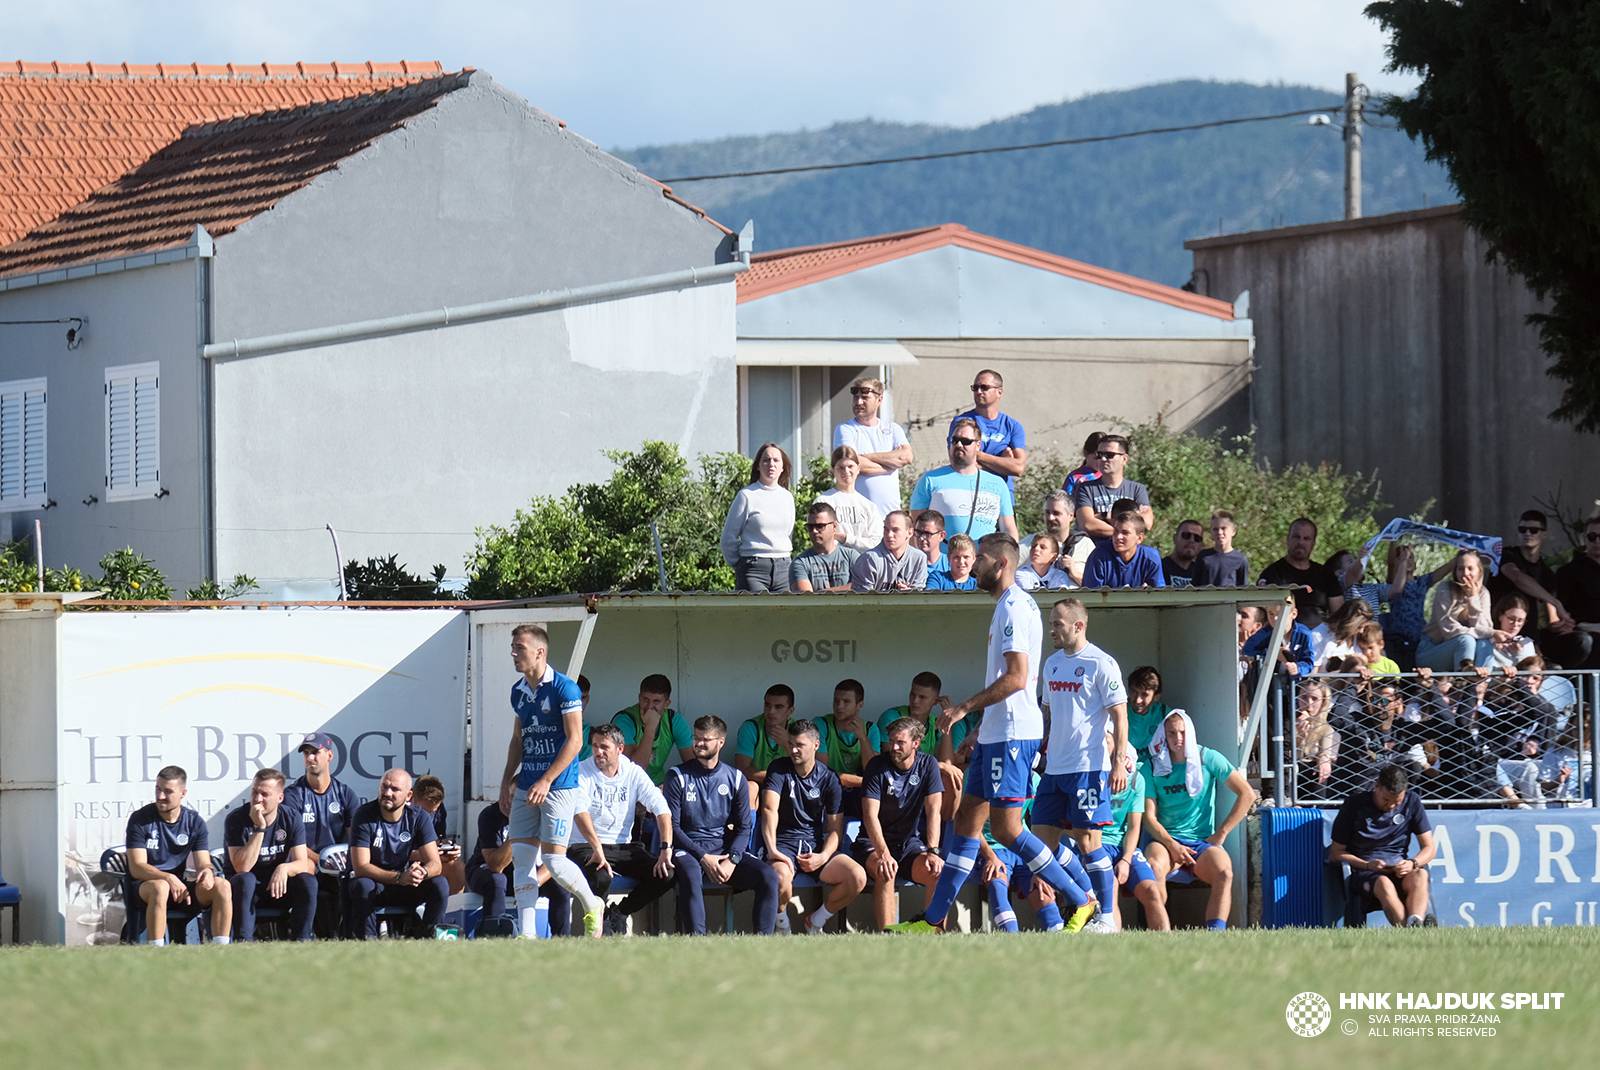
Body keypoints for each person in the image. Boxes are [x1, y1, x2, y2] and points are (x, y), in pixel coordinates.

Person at [889, 532, 1098, 934]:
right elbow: (1005, 680)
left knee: (1006, 829)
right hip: (996, 733)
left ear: (1000, 564)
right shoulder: (1004, 606)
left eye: (980, 558)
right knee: (967, 821)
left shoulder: (1016, 607)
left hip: (1014, 737)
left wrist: (965, 708)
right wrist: (980, 730)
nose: (973, 564)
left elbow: (1018, 679)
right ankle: (933, 921)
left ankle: (1082, 897)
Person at [498, 623, 606, 939]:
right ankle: (528, 936)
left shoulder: (565, 688)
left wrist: (546, 779)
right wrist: (507, 781)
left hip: (558, 786)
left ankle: (592, 903)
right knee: (521, 863)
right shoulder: (518, 691)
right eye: (513, 647)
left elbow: (574, 741)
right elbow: (518, 739)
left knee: (554, 861)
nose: (514, 653)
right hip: (527, 785)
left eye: (520, 647)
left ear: (540, 651)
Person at [1032, 599, 1129, 932]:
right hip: (1054, 768)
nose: (1052, 630)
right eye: (1051, 623)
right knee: (1041, 842)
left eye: (1058, 623)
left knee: (1089, 842)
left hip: (1088, 767)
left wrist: (1117, 763)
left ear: (1078, 625)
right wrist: (1037, 750)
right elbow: (1046, 713)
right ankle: (1084, 899)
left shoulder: (1101, 663)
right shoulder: (1052, 664)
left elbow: (1119, 714)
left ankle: (1106, 917)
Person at [664, 716, 779, 935]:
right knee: (690, 872)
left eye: (705, 739)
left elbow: (745, 827)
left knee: (768, 875)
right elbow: (673, 829)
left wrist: (733, 858)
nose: (698, 743)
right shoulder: (677, 776)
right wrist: (703, 857)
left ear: (721, 742)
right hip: (688, 848)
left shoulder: (735, 778)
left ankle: (765, 941)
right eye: (696, 738)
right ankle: (698, 941)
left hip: (723, 850)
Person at [1141, 710, 1256, 929]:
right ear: (1163, 735)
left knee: (1224, 871)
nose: (1178, 739)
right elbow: (1149, 817)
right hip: (1166, 841)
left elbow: (1247, 794)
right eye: (1172, 733)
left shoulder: (1208, 757)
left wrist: (1221, 833)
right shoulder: (1152, 765)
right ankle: (1160, 934)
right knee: (1154, 867)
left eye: (1182, 732)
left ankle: (1215, 934)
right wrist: (1172, 845)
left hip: (1201, 842)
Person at [563, 725, 676, 936]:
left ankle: (620, 912)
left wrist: (665, 849)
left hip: (622, 846)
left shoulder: (632, 772)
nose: (598, 752)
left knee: (666, 873)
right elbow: (580, 813)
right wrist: (597, 849)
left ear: (620, 749)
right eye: (595, 746)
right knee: (602, 877)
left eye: (604, 747)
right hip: (584, 845)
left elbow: (661, 808)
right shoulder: (581, 771)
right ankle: (600, 928)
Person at [759, 719, 866, 934]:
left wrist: (824, 856)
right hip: (784, 845)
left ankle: (816, 921)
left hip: (815, 846)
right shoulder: (779, 769)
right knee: (778, 878)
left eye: (800, 745)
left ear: (816, 745)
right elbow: (769, 810)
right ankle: (782, 925)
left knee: (857, 877)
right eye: (790, 744)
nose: (793, 749)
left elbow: (836, 828)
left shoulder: (829, 778)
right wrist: (773, 851)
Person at [124, 765, 232, 945]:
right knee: (160, 887)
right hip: (145, 888)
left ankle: (222, 949)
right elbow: (136, 867)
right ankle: (155, 950)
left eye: (167, 791)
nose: (160, 796)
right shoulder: (140, 819)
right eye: (158, 789)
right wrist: (167, 878)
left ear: (183, 793)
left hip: (180, 889)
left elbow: (203, 863)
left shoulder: (194, 821)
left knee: (222, 885)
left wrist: (206, 871)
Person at [857, 717, 945, 929]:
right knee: (885, 869)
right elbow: (870, 816)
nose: (894, 747)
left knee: (936, 871)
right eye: (892, 741)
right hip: (872, 843)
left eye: (900, 743)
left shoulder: (928, 764)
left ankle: (932, 934)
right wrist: (884, 853)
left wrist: (933, 851)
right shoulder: (877, 766)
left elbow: (934, 811)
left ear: (916, 743)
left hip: (909, 844)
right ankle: (889, 937)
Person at [1328, 763, 1436, 926]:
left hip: (1399, 869)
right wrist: (1367, 865)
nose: (1391, 806)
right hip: (1366, 872)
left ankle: (1415, 921)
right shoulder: (1354, 805)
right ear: (1376, 787)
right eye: (1386, 800)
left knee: (1420, 875)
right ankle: (1409, 931)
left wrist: (1412, 863)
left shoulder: (1412, 802)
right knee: (1384, 883)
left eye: (1397, 802)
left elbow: (1429, 847)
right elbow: (1336, 853)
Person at [347, 768, 449, 939]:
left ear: (409, 796)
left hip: (405, 883)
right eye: (384, 787)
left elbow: (435, 864)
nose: (387, 793)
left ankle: (429, 938)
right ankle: (367, 941)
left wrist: (422, 873)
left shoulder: (419, 817)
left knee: (439, 884)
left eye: (395, 789)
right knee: (362, 885)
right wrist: (399, 878)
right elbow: (361, 867)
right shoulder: (364, 815)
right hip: (376, 884)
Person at [284, 731, 362, 939]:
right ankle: (304, 936)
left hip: (340, 865)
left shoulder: (345, 794)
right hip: (308, 860)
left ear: (329, 755)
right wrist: (321, 861)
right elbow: (292, 842)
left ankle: (355, 934)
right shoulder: (293, 795)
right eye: (306, 753)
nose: (310, 758)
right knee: (306, 869)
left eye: (315, 752)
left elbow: (356, 839)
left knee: (358, 875)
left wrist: (344, 862)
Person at [224, 768, 316, 941]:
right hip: (245, 889)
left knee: (307, 880)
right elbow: (241, 867)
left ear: (280, 798)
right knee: (246, 879)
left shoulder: (291, 817)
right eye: (254, 792)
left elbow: (303, 862)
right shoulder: (236, 819)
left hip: (277, 886)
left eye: (264, 794)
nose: (258, 799)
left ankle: (303, 940)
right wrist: (259, 828)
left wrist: (284, 867)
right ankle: (243, 941)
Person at [910, 417, 1018, 542]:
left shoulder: (997, 484)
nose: (959, 444)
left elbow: (1008, 528)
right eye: (955, 440)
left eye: (965, 441)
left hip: (983, 559)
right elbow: (915, 529)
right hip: (942, 559)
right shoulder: (930, 480)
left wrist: (1011, 557)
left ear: (978, 445)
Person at [1103, 742, 1169, 930]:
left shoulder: (1135, 780)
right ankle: (1113, 946)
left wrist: (1125, 859)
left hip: (1124, 847)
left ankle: (1168, 948)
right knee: (1111, 887)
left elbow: (1133, 827)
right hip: (1098, 845)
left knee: (1152, 891)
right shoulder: (1092, 777)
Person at [720, 442, 795, 593]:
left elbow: (788, 534)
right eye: (766, 460)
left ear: (782, 467)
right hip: (754, 569)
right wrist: (741, 565)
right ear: (758, 466)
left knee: (784, 615)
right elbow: (728, 538)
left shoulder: (787, 497)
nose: (771, 464)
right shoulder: (746, 495)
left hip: (784, 568)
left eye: (776, 460)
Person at [833, 376, 912, 514]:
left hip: (889, 518)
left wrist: (866, 456)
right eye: (855, 397)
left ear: (879, 399)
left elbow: (906, 457)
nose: (858, 402)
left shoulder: (893, 429)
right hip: (860, 516)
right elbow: (854, 465)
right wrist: (889, 466)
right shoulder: (845, 429)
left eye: (864, 397)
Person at [1417, 551, 1504, 671]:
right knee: (1467, 640)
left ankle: (1481, 686)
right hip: (1433, 649)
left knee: (1485, 643)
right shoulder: (1445, 589)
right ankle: (1462, 683)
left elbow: (1484, 628)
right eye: (1460, 569)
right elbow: (1449, 630)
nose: (1465, 573)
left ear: (1479, 571)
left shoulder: (1483, 593)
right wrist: (1490, 632)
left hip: (1466, 651)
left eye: (1470, 568)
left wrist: (1473, 597)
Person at [1489, 509, 1570, 639]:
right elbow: (1517, 577)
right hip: (1496, 632)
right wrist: (1556, 602)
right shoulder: (1506, 555)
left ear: (1544, 534)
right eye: (1522, 529)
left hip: (1528, 637)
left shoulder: (1546, 573)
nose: (1527, 533)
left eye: (1533, 530)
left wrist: (1563, 624)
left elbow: (1552, 619)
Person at [607, 674, 693, 786]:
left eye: (656, 701)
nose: (649, 707)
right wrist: (650, 728)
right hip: (626, 785)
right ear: (639, 698)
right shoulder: (625, 720)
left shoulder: (674, 720)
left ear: (667, 704)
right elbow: (634, 770)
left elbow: (692, 765)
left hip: (658, 785)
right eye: (645, 699)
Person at [1072, 433, 1153, 552]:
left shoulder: (1137, 489)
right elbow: (1088, 524)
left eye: (1109, 455)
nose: (1103, 459)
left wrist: (1102, 516)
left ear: (1124, 459)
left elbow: (1146, 523)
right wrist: (1127, 530)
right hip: (1095, 554)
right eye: (1100, 455)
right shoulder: (1085, 488)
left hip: (1128, 556)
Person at [1259, 518, 1344, 628]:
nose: (1301, 542)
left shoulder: (1326, 574)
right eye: (1296, 537)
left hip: (1321, 638)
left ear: (1313, 543)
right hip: (1284, 639)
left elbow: (1339, 614)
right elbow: (1264, 613)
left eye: (1306, 538)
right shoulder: (1272, 573)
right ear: (1288, 539)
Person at [951, 368, 1027, 487]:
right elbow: (959, 462)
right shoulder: (962, 422)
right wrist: (1004, 463)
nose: (979, 391)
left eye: (984, 387)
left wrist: (978, 455)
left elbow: (1018, 468)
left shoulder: (1012, 426)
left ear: (999, 392)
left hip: (1001, 494)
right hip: (969, 490)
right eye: (975, 388)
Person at [876, 671, 967, 764]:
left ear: (936, 701)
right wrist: (938, 767)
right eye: (912, 694)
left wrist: (948, 721)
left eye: (922, 697)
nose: (915, 701)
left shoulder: (935, 724)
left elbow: (947, 763)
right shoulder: (893, 717)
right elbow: (893, 759)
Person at [1547, 516, 1600, 670]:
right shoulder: (1569, 572)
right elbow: (1561, 616)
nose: (1597, 541)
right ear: (1585, 539)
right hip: (1583, 632)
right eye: (1592, 537)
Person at [817, 678, 881, 795]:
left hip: (861, 792)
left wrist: (862, 738)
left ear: (859, 704)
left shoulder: (871, 729)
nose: (839, 706)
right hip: (829, 788)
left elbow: (871, 770)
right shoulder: (822, 724)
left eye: (846, 701)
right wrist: (862, 781)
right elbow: (822, 772)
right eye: (836, 701)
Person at [815, 444, 884, 552]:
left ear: (858, 469)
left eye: (850, 466)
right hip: (834, 565)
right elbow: (820, 538)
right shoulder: (823, 501)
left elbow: (876, 542)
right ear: (833, 470)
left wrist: (846, 539)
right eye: (841, 467)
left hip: (863, 564)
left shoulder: (868, 506)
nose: (846, 471)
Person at [735, 684, 795, 803]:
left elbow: (806, 769)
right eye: (767, 705)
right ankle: (748, 822)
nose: (771, 711)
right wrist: (775, 779)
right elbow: (742, 769)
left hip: (788, 785)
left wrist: (787, 744)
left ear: (790, 711)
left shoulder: (797, 730)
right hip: (760, 783)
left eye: (778, 707)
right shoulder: (751, 727)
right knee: (750, 787)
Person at [463, 798, 516, 937]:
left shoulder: (542, 814)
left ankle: (558, 941)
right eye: (509, 796)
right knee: (497, 880)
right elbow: (495, 865)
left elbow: (554, 860)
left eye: (519, 798)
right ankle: (494, 938)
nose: (509, 802)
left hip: (523, 873)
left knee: (558, 885)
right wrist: (518, 829)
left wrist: (533, 885)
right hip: (484, 869)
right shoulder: (490, 815)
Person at [850, 510, 929, 591]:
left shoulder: (919, 558)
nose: (889, 535)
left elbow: (919, 595)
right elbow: (863, 599)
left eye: (895, 530)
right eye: (886, 529)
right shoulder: (869, 560)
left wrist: (909, 593)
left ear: (910, 532)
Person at [410, 774, 464, 894]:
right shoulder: (398, 811)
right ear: (411, 798)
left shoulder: (439, 810)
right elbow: (392, 852)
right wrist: (426, 855)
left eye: (432, 811)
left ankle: (453, 910)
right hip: (403, 863)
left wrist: (445, 848)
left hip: (428, 860)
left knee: (456, 867)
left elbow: (436, 839)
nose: (427, 816)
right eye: (424, 811)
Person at [790, 502, 860, 594]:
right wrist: (847, 588)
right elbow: (807, 599)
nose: (814, 531)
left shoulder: (851, 556)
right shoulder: (800, 562)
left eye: (820, 526)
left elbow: (863, 586)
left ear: (834, 526)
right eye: (810, 527)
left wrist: (824, 592)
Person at [1082, 513, 1166, 588]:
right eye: (1116, 531)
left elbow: (1159, 595)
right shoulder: (1099, 556)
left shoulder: (1151, 558)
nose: (1118, 537)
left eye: (1125, 533)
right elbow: (1091, 596)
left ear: (1139, 538)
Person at [1125, 665, 1173, 768]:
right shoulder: (1120, 711)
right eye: (1134, 692)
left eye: (1144, 694)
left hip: (1157, 771)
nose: (1138, 700)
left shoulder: (1164, 713)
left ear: (1156, 696)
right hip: (1126, 772)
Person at [1195, 510, 1249, 587]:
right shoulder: (1203, 556)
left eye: (1223, 528)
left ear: (1233, 531)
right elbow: (1195, 587)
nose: (1219, 532)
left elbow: (1243, 591)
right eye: (1215, 529)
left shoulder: (1240, 559)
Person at [1161, 518, 1207, 588]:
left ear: (1201, 545)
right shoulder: (1160, 568)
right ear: (1175, 538)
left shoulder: (1202, 572)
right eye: (1186, 535)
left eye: (1197, 538)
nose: (1191, 540)